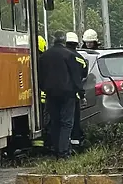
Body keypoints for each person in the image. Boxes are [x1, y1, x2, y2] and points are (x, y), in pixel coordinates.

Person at [38, 30, 85, 159]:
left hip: (51, 94)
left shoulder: (44, 56)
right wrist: (81, 93)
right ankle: (63, 152)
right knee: (66, 123)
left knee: (55, 122)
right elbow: (75, 76)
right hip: (67, 94)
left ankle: (55, 149)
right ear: (64, 41)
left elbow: (39, 77)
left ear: (53, 40)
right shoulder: (69, 55)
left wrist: (45, 88)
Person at [65, 32, 88, 147]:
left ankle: (62, 144)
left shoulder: (62, 56)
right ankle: (75, 143)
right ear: (76, 44)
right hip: (75, 95)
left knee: (61, 121)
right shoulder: (80, 59)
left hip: (58, 93)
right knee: (74, 120)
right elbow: (84, 75)